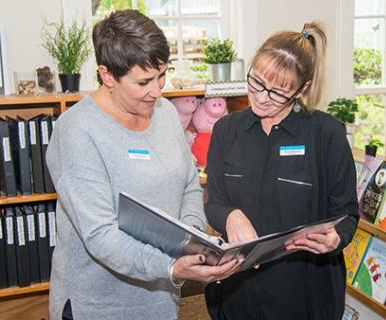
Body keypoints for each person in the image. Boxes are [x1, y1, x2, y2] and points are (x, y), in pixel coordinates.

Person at [46, 10, 239, 320]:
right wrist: (171, 266)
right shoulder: (76, 132)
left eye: (162, 74)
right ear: (107, 75)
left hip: (160, 300)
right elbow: (101, 236)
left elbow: (189, 181)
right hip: (98, 306)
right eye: (144, 81)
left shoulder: (162, 113)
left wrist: (191, 238)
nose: (158, 90)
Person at [204, 22, 359, 319]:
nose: (261, 97)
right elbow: (214, 203)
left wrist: (336, 238)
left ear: (302, 89)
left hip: (302, 294)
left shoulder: (327, 135)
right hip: (238, 291)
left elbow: (347, 214)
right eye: (256, 82)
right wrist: (230, 215)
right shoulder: (226, 131)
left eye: (277, 92)